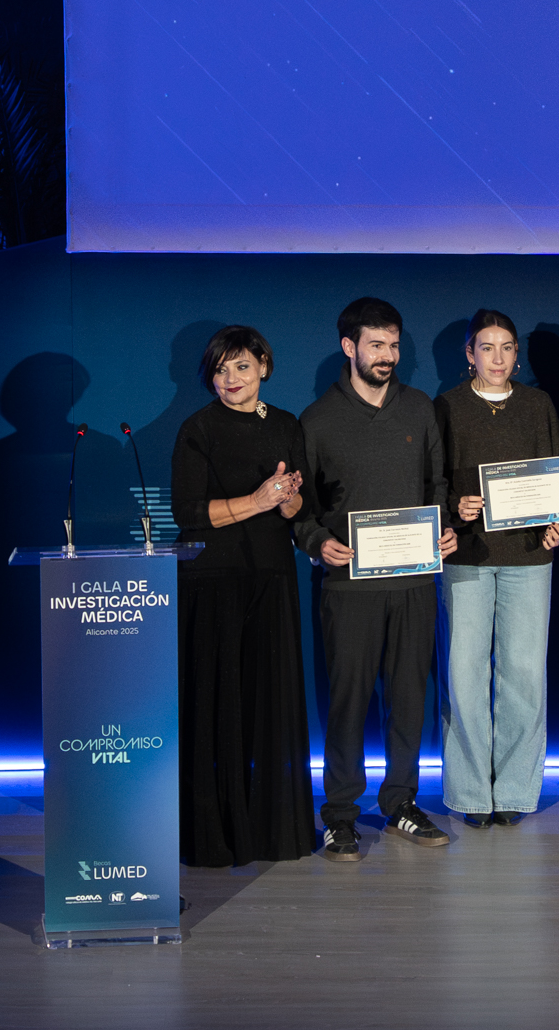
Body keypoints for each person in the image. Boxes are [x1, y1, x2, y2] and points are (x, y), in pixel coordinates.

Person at [295, 297, 457, 862]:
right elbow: (301, 508)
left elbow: (439, 483)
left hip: (414, 582)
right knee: (347, 702)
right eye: (376, 345)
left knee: (410, 698)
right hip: (348, 588)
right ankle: (340, 814)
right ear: (349, 348)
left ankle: (401, 802)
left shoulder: (418, 408)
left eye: (393, 345)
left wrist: (446, 528)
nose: (387, 355)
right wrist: (317, 543)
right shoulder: (316, 420)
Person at [171, 325, 315, 867]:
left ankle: (275, 833)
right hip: (212, 582)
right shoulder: (197, 429)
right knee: (220, 708)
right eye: (220, 369)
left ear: (263, 367)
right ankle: (216, 836)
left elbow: (301, 510)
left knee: (269, 706)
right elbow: (187, 515)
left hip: (272, 579)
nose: (230, 379)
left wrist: (287, 502)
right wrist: (256, 501)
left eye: (241, 367)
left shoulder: (285, 425)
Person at [434, 309, 559, 829]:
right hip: (466, 557)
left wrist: (558, 525)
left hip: (529, 557)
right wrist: (454, 510)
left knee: (523, 675)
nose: (498, 358)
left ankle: (513, 789)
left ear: (517, 354)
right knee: (465, 676)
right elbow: (432, 480)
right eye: (487, 348)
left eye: (507, 348)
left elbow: (555, 478)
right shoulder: (445, 407)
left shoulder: (538, 406)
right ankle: (470, 794)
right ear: (470, 354)